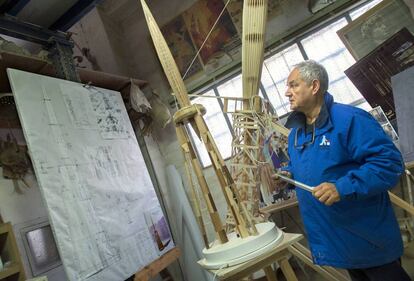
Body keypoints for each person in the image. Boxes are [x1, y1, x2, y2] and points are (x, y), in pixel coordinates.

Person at [281, 60, 410, 281]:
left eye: (293, 85)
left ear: (314, 86)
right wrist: (289, 174)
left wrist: (342, 187)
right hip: (337, 237)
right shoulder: (296, 134)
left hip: (366, 235)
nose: (287, 93)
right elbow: (313, 165)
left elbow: (388, 164)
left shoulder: (349, 119)